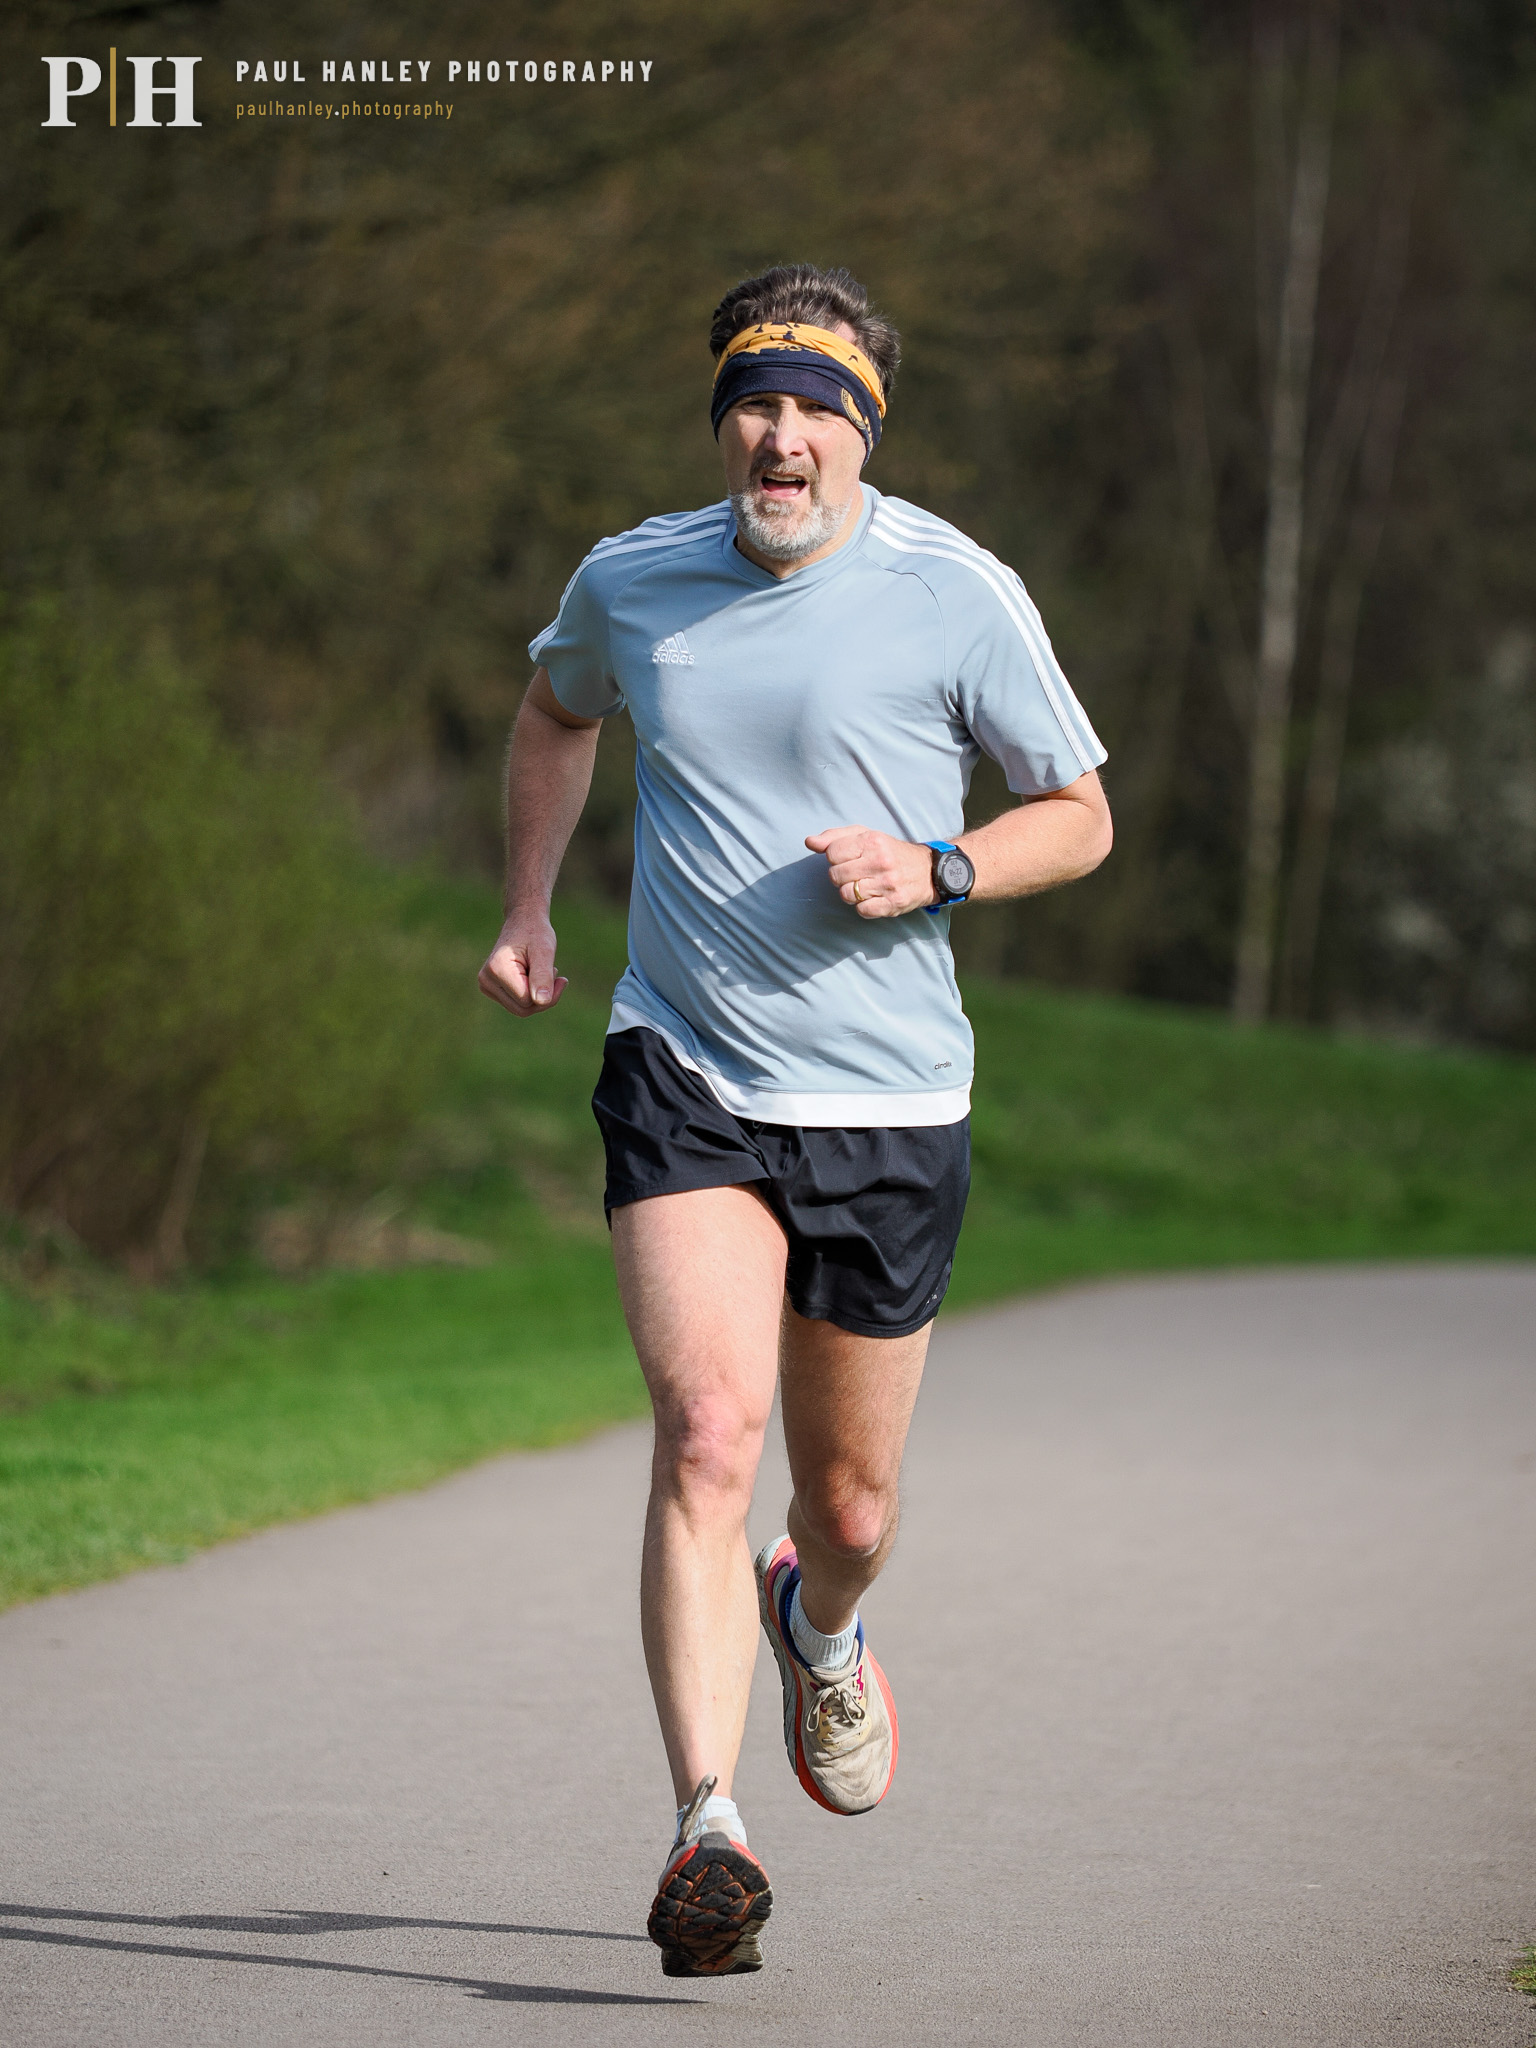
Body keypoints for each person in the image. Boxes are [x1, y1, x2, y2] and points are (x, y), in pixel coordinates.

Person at [479, 263, 1112, 1977]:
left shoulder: (955, 593)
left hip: (891, 1099)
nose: (781, 433)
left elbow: (1081, 813)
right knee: (703, 1430)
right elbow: (555, 708)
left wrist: (944, 865)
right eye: (755, 402)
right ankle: (708, 1829)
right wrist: (531, 906)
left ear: (861, 434)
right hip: (684, 1064)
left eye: (816, 406)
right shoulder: (635, 579)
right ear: (725, 425)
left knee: (844, 1507)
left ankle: (818, 1630)